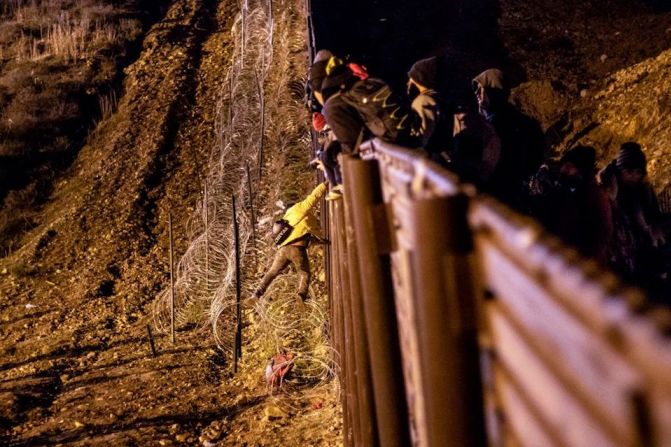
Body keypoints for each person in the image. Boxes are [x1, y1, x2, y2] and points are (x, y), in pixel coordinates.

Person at [529, 145, 612, 262]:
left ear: (580, 171)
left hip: (570, 260)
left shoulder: (591, 196)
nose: (563, 169)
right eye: (564, 165)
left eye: (569, 167)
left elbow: (599, 236)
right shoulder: (567, 188)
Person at [473, 68, 545, 203]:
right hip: (506, 190)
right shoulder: (525, 123)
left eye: (481, 88)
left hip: (500, 192)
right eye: (476, 88)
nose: (476, 93)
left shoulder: (515, 124)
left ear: (493, 91)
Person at [253, 182, 328, 302]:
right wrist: (325, 184)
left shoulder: (287, 218)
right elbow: (313, 197)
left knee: (272, 272)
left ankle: (257, 293)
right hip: (297, 249)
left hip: (282, 250)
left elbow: (308, 236)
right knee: (304, 274)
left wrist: (323, 241)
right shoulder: (300, 209)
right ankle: (301, 295)